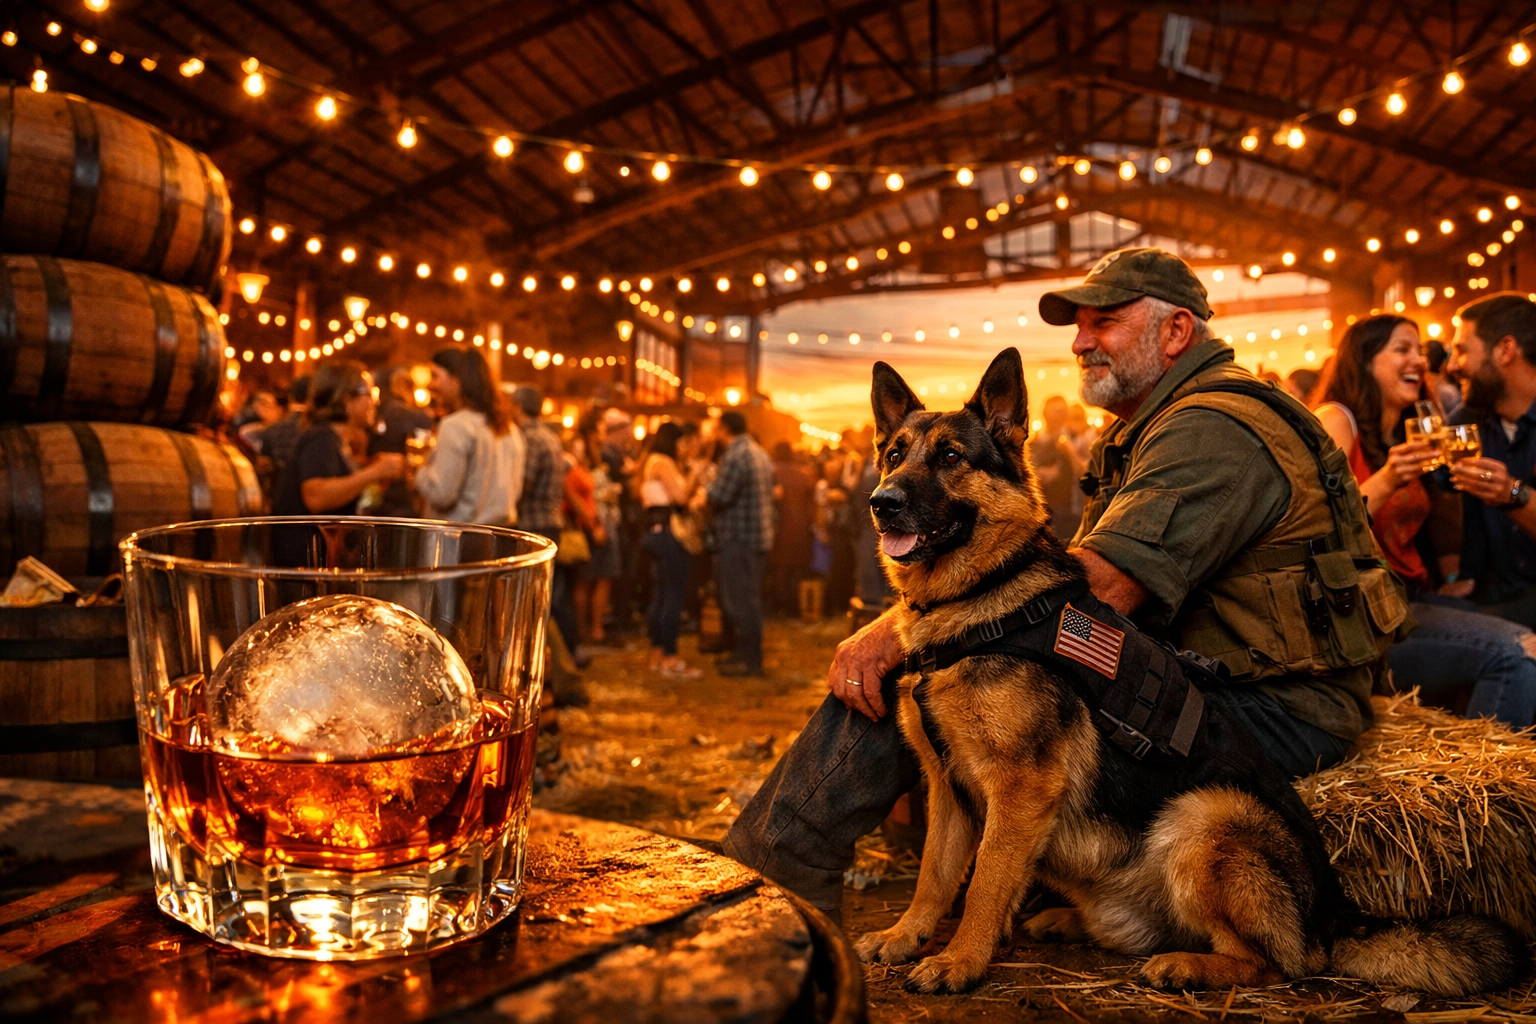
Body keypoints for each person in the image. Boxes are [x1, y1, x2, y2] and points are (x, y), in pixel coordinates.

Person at [724, 247, 1405, 918]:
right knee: (945, 667)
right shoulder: (1153, 425)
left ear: (1176, 331)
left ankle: (777, 865)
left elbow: (1092, 592)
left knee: (930, 663)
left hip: (1278, 707)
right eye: (1080, 327)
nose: (1080, 343)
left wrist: (899, 633)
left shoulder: (1212, 428)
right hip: (1207, 674)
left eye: (1104, 323)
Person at [1313, 316, 1536, 727]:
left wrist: (1452, 577)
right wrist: (1387, 480)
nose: (1419, 360)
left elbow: (1436, 524)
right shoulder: (1336, 420)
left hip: (1411, 597)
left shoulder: (1410, 431)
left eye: (1419, 350)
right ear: (1363, 361)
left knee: (1523, 623)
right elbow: (1318, 523)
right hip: (1366, 617)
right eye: (1402, 349)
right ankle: (1489, 768)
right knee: (1516, 654)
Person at [1445, 293, 1536, 627]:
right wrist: (1462, 574)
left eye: (1462, 350)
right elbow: (1436, 497)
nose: (1451, 366)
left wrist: (1512, 493)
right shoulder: (1466, 422)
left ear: (1505, 350)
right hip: (1492, 598)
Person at [698, 411, 777, 676]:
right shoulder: (758, 452)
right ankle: (745, 654)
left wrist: (703, 489)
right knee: (750, 597)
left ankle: (748, 659)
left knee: (740, 600)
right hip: (757, 537)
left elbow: (720, 495)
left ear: (724, 428)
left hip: (738, 538)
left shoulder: (736, 455)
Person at [272, 363, 404, 516]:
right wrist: (375, 472)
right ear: (347, 401)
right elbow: (316, 498)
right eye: (370, 394)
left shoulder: (332, 437)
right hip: (305, 533)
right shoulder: (320, 437)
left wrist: (368, 466)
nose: (376, 402)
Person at [414, 348, 524, 525]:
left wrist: (417, 469)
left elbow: (441, 494)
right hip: (500, 534)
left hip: (457, 536)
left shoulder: (455, 425)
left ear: (457, 379)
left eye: (435, 376)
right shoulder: (511, 429)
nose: (430, 385)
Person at [513, 384, 580, 657]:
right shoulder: (550, 436)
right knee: (554, 591)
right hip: (551, 520)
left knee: (537, 595)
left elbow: (524, 484)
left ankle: (558, 656)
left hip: (533, 522)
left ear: (518, 407)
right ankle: (569, 651)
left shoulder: (531, 438)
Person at [640, 422, 703, 677]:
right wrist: (694, 474)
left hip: (655, 532)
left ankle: (657, 653)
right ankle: (670, 655)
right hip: (668, 534)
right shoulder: (662, 462)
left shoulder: (651, 461)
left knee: (661, 594)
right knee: (673, 596)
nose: (684, 448)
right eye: (681, 443)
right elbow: (680, 497)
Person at [371, 367, 434, 517]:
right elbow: (424, 423)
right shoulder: (398, 410)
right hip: (395, 482)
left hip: (384, 479)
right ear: (403, 387)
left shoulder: (384, 408)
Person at [767, 441, 815, 616]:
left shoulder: (772, 474)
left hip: (779, 531)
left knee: (779, 570)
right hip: (800, 530)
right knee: (796, 570)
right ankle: (793, 607)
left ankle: (779, 607)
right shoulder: (803, 476)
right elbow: (811, 507)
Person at [1029, 395, 1084, 541]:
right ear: (1045, 413)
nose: (1060, 415)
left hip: (1069, 510)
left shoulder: (1075, 439)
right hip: (1044, 508)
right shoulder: (1035, 442)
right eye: (1056, 411)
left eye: (1063, 411)